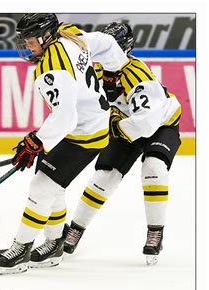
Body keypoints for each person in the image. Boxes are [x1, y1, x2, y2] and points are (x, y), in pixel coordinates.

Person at [0, 14, 130, 275]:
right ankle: (55, 243)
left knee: (42, 186)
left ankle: (22, 248)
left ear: (45, 37)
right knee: (49, 181)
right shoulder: (69, 34)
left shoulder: (51, 67)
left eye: (31, 41)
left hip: (85, 133)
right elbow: (107, 42)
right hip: (85, 124)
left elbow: (66, 117)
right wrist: (114, 70)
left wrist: (36, 141)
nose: (27, 46)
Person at [63, 22, 182, 266]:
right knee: (104, 176)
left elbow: (147, 121)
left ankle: (155, 232)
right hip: (127, 126)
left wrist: (115, 125)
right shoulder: (94, 75)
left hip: (160, 125)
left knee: (154, 169)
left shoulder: (136, 71)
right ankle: (76, 229)